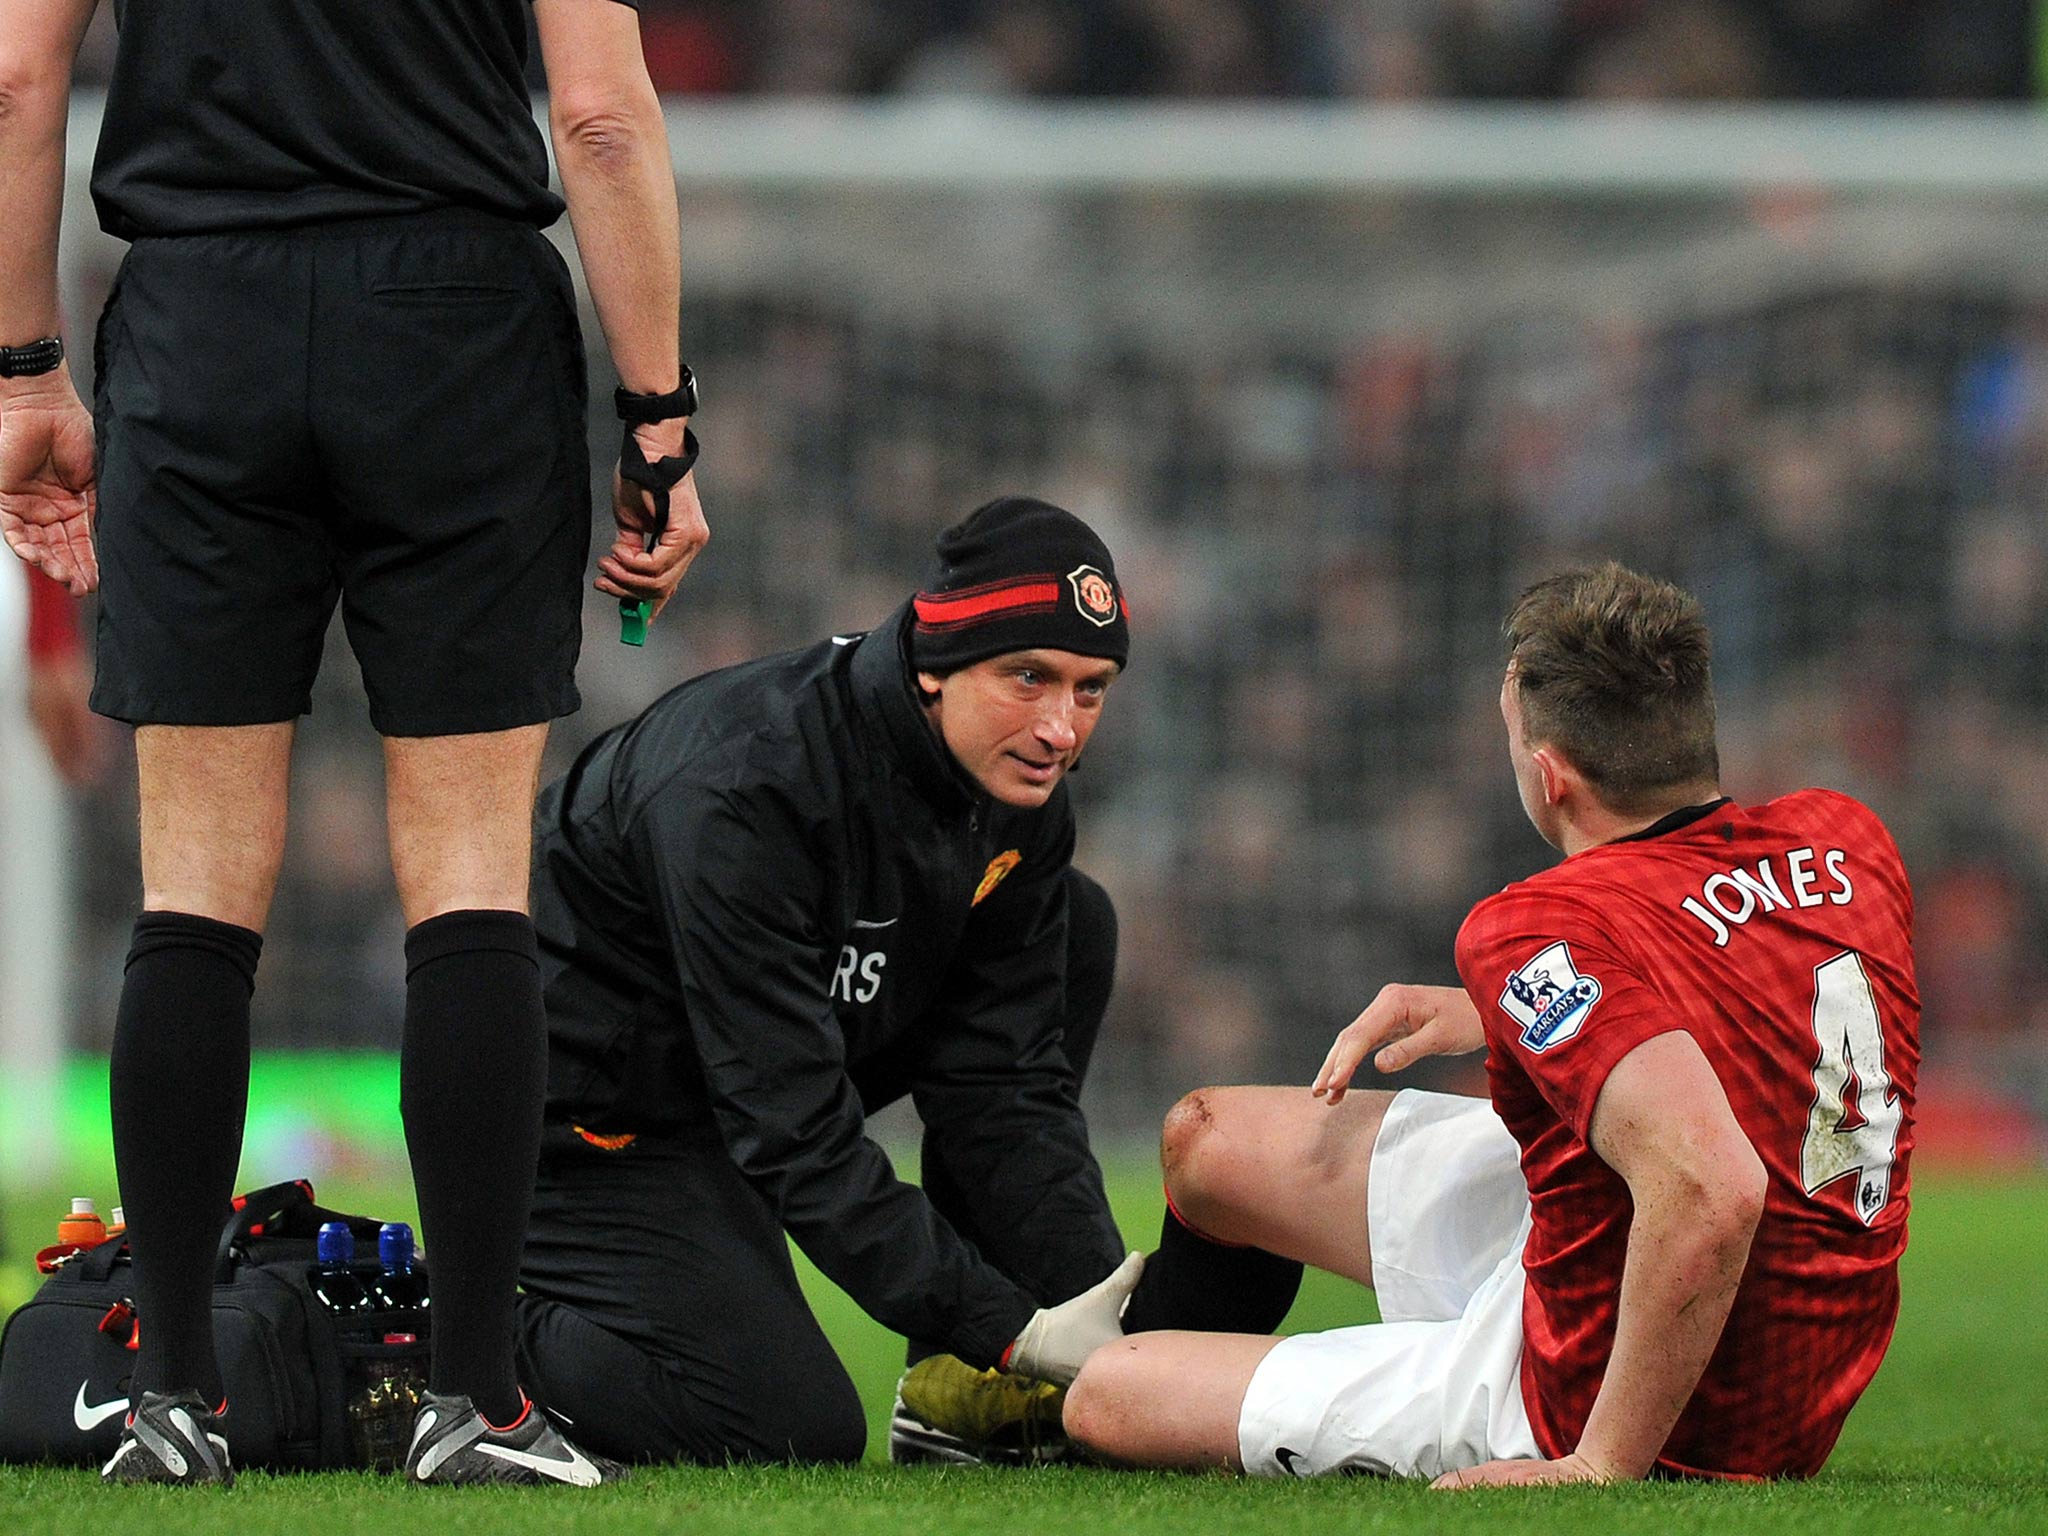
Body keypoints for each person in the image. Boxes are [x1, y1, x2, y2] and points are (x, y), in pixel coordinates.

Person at [0, 0, 707, 1487]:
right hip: (456, 327)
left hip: (199, 318)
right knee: (465, 876)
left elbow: (13, 77)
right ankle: (475, 1406)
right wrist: (660, 415)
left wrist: (21, 370)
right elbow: (596, 113)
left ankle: (171, 1399)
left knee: (192, 889)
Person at [1063, 562, 1919, 1486]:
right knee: (1208, 1139)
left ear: (1550, 777)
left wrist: (1598, 1465)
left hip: (1645, 1394)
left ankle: (1378, 1388)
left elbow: (1714, 1190)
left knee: (1106, 1395)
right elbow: (1744, 970)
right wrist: (1496, 1011)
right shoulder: (1846, 838)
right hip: (1748, 1313)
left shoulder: (1535, 923)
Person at [511, 497, 1143, 1465]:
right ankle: (437, 1338)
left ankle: (959, 1398)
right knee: (777, 1428)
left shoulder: (1016, 799)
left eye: (1089, 690)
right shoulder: (743, 784)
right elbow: (789, 1123)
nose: (1060, 728)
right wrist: (1006, 1323)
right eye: (1027, 678)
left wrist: (1099, 1325)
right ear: (934, 666)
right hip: (591, 1127)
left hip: (737, 1093)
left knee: (1074, 927)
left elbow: (1005, 1094)